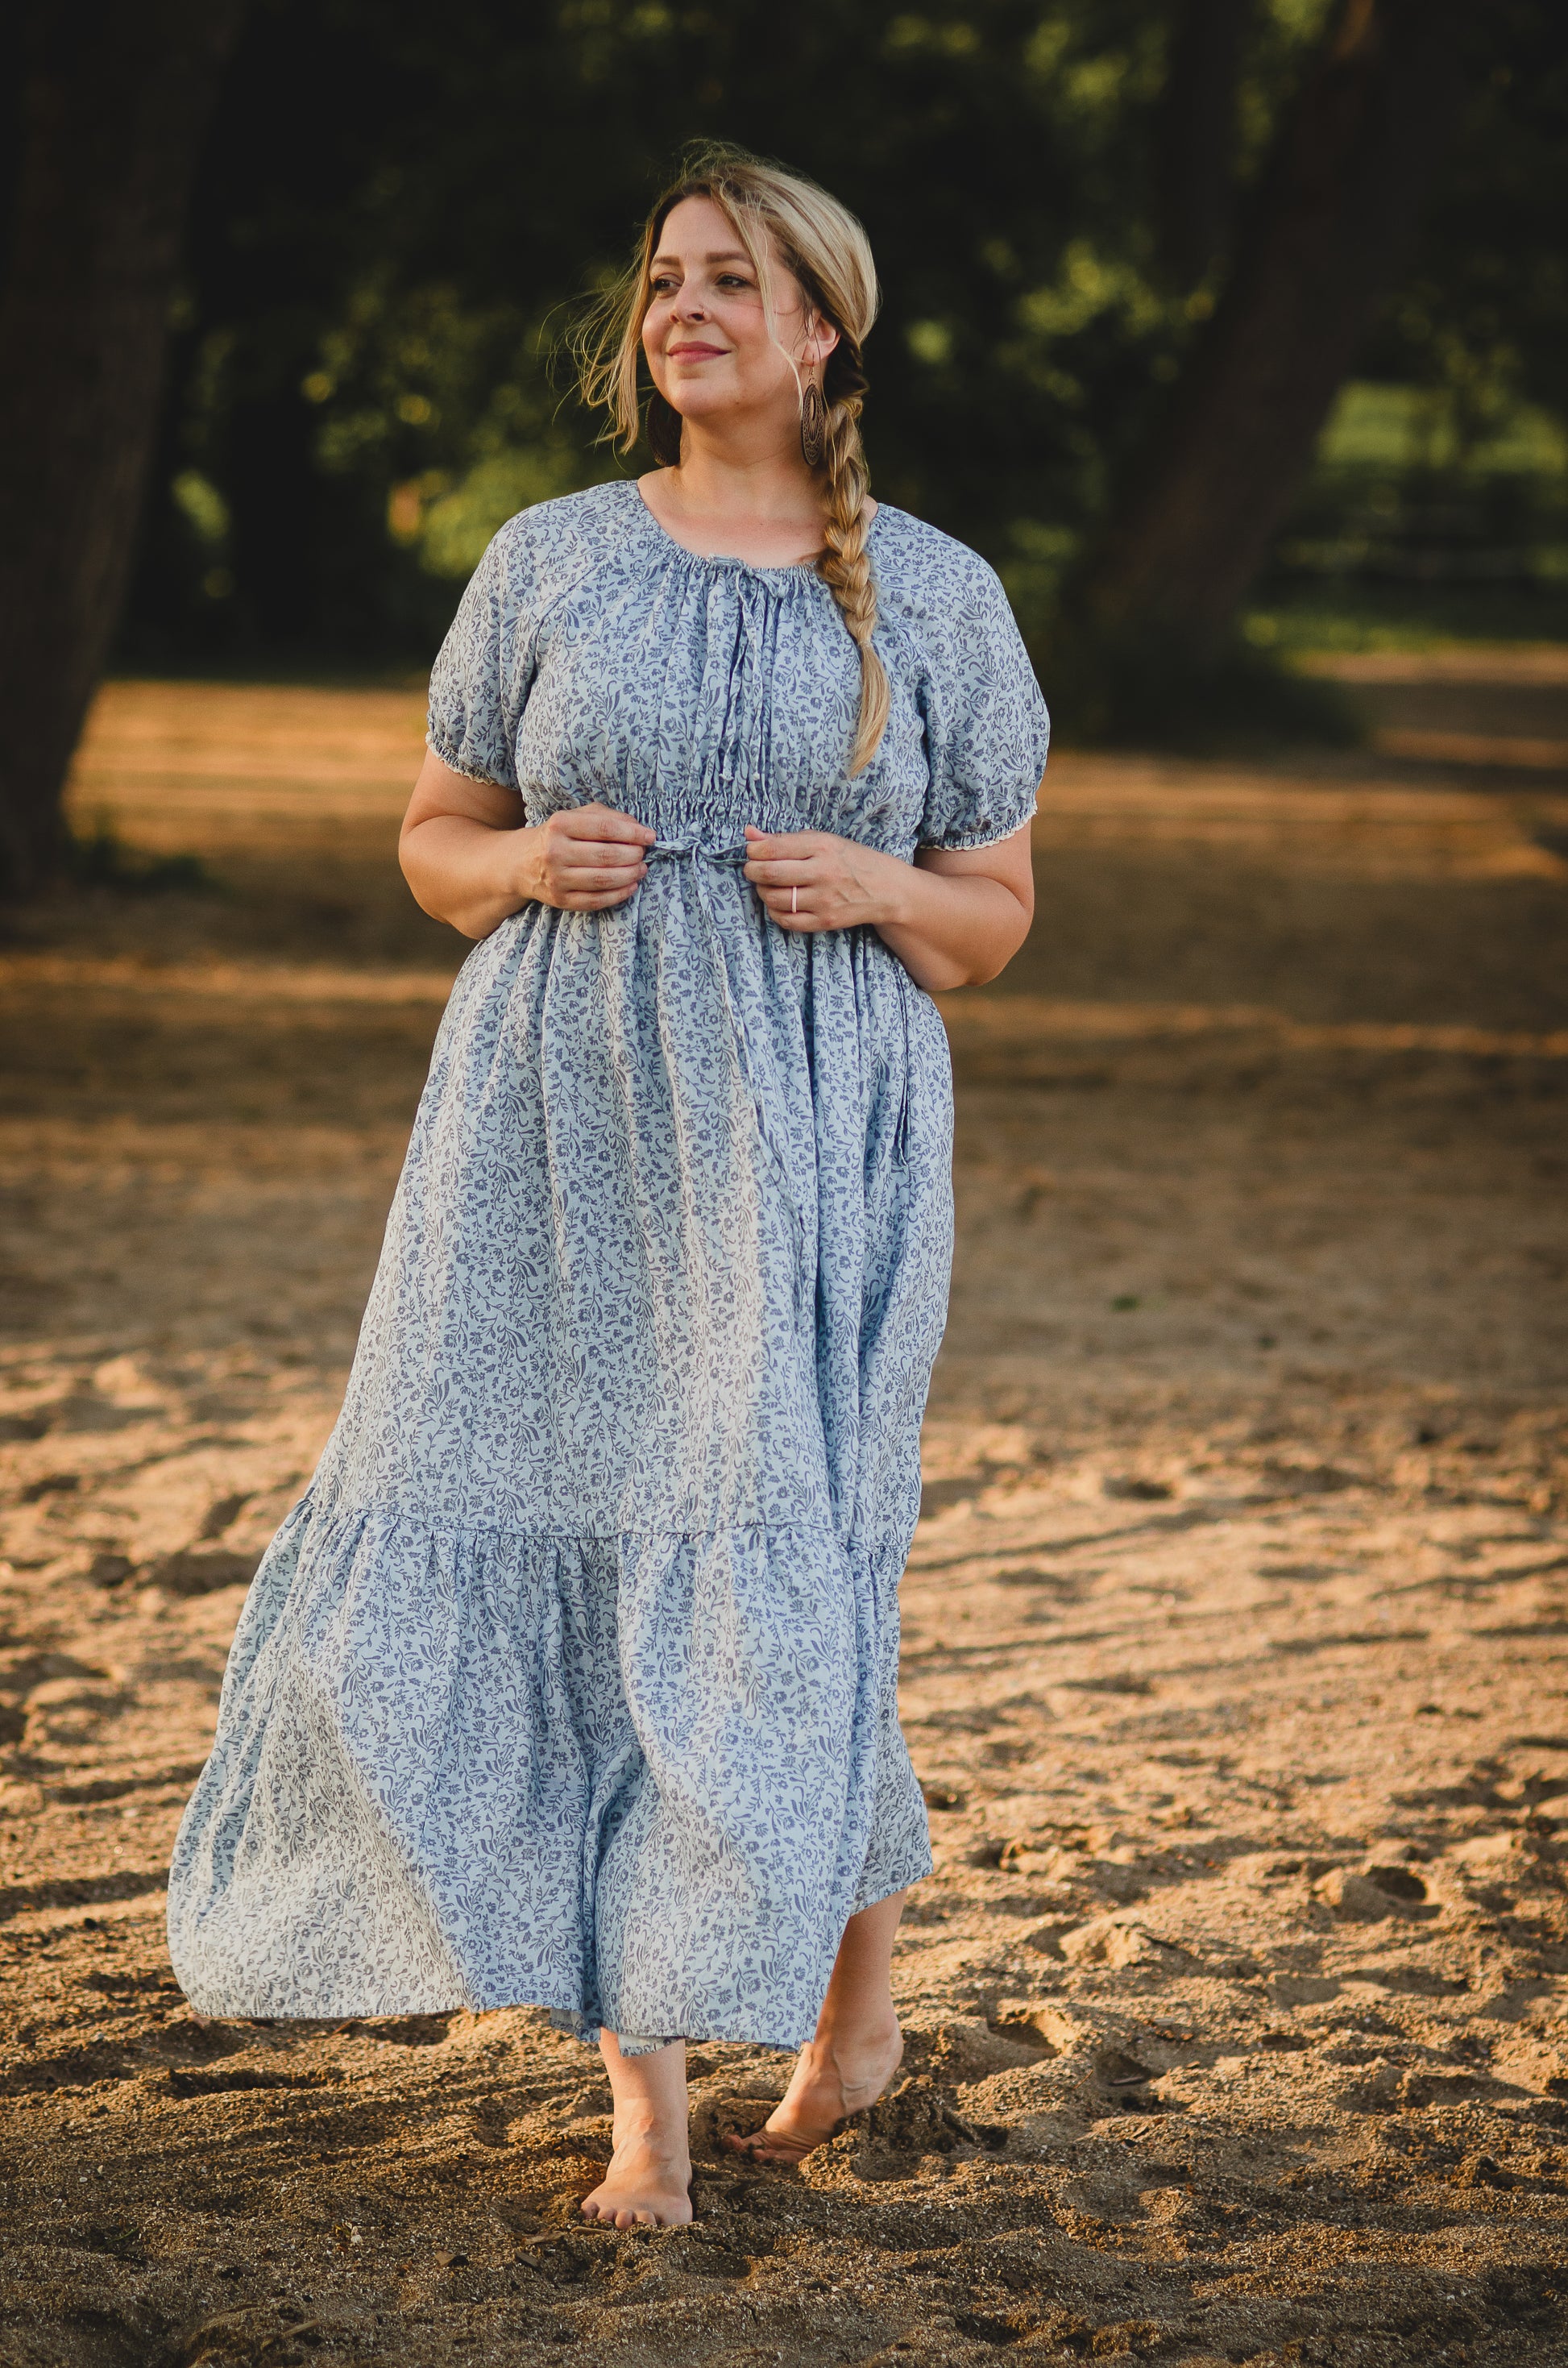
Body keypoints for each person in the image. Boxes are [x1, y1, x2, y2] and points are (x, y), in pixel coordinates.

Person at [166, 144, 1049, 2231]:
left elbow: (995, 917)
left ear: (821, 326)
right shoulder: (548, 557)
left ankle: (852, 2012)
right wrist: (510, 862)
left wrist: (883, 885)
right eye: (665, 280)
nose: (685, 312)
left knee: (789, 1560)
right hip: (552, 1123)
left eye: (730, 280)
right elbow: (431, 838)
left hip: (819, 1136)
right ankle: (645, 2106)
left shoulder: (935, 590)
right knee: (583, 1547)